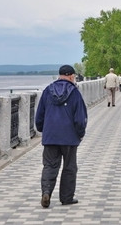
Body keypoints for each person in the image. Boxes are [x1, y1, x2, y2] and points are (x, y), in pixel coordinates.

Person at [36, 65, 88, 208]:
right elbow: (80, 117)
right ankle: (66, 198)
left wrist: (43, 129)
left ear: (60, 75)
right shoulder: (74, 92)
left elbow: (39, 114)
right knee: (69, 167)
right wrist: (80, 133)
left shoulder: (47, 91)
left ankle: (46, 192)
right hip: (69, 137)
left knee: (50, 166)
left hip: (51, 136)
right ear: (71, 76)